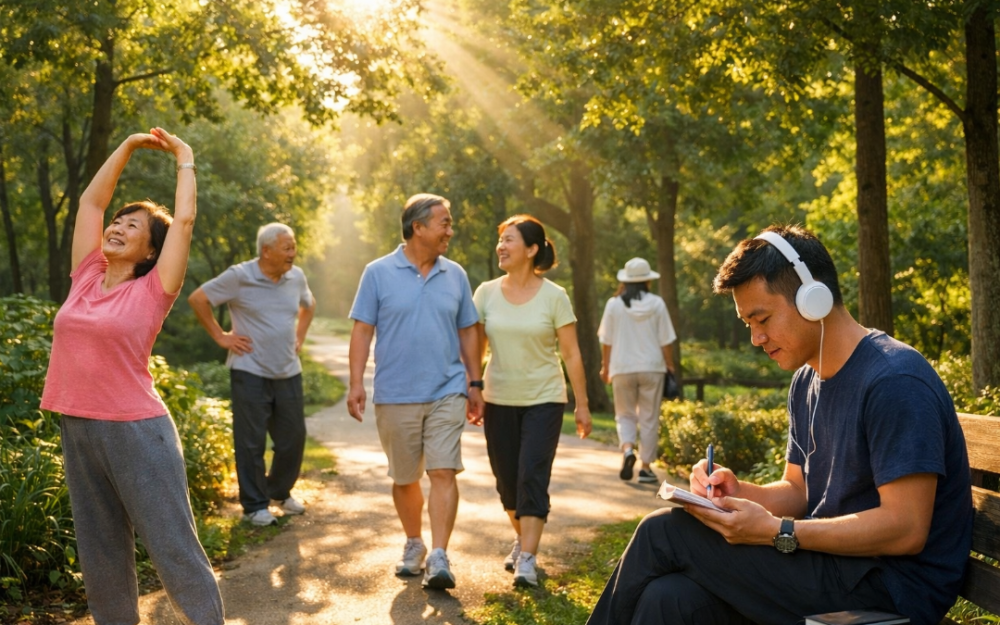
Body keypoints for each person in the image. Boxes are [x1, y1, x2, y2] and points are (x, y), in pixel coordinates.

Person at [586, 224, 972, 625]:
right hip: (833, 567)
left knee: (662, 532)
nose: (756, 338)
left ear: (813, 299)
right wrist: (738, 491)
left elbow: (906, 528)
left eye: (762, 318)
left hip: (892, 588)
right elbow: (798, 489)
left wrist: (777, 530)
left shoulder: (894, 381)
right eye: (748, 324)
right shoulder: (806, 381)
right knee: (668, 598)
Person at [40, 129, 224, 625]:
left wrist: (184, 156)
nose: (118, 226)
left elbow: (183, 220)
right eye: (119, 220)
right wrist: (125, 146)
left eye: (133, 225)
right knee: (100, 558)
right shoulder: (86, 274)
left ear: (150, 252)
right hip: (78, 426)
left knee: (173, 550)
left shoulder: (154, 290)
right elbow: (89, 202)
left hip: (136, 431)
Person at [346, 193, 484, 590]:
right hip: (395, 392)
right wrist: (357, 382)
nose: (450, 231)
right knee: (405, 476)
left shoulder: (455, 274)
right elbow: (362, 330)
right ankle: (414, 543)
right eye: (444, 222)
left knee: (443, 470)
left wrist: (474, 383)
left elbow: (468, 330)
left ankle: (440, 555)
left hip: (447, 389)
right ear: (417, 227)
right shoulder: (377, 272)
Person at [473, 214, 593, 588]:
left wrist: (583, 403)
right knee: (507, 481)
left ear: (531, 249)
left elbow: (571, 354)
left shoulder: (554, 296)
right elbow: (476, 347)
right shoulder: (486, 293)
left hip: (544, 398)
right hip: (498, 398)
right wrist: (472, 388)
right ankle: (522, 537)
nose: (501, 247)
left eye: (509, 240)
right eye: (500, 240)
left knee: (531, 475)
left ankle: (528, 557)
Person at [188, 223, 315, 527]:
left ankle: (279, 492)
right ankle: (255, 506)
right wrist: (221, 336)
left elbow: (308, 306)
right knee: (250, 442)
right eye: (287, 247)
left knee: (294, 437)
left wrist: (300, 335)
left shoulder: (295, 277)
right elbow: (198, 299)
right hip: (249, 370)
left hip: (288, 370)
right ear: (266, 250)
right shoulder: (240, 276)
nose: (293, 253)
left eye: (294, 246)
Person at [598, 257, 676, 484]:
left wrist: (605, 367)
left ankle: (628, 450)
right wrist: (669, 364)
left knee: (624, 414)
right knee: (649, 418)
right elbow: (666, 340)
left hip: (622, 367)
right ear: (647, 282)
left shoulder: (614, 304)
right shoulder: (657, 304)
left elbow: (606, 340)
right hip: (652, 368)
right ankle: (645, 468)